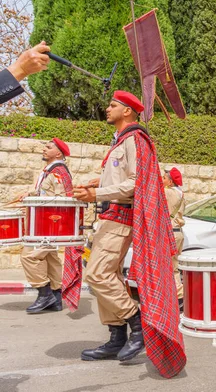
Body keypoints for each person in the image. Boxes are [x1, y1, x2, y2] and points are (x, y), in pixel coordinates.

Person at [73, 91, 185, 378]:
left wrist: (97, 192)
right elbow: (122, 178)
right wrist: (100, 182)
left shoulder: (135, 140)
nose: (107, 109)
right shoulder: (120, 142)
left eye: (113, 106)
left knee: (97, 274)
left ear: (128, 112)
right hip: (110, 217)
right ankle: (116, 337)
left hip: (121, 218)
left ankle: (136, 320)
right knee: (109, 276)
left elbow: (137, 183)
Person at [18, 138, 79, 313]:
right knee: (51, 259)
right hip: (44, 225)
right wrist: (29, 195)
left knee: (29, 256)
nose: (44, 149)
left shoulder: (59, 172)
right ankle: (56, 299)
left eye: (48, 147)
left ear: (58, 153)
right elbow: (45, 192)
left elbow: (62, 200)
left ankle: (44, 294)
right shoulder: (49, 171)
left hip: (50, 225)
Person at [163, 166, 185, 311]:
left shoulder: (169, 193)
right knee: (174, 267)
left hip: (170, 232)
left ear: (170, 182)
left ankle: (178, 298)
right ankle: (178, 297)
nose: (162, 180)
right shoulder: (180, 193)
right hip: (178, 232)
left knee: (169, 267)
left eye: (164, 178)